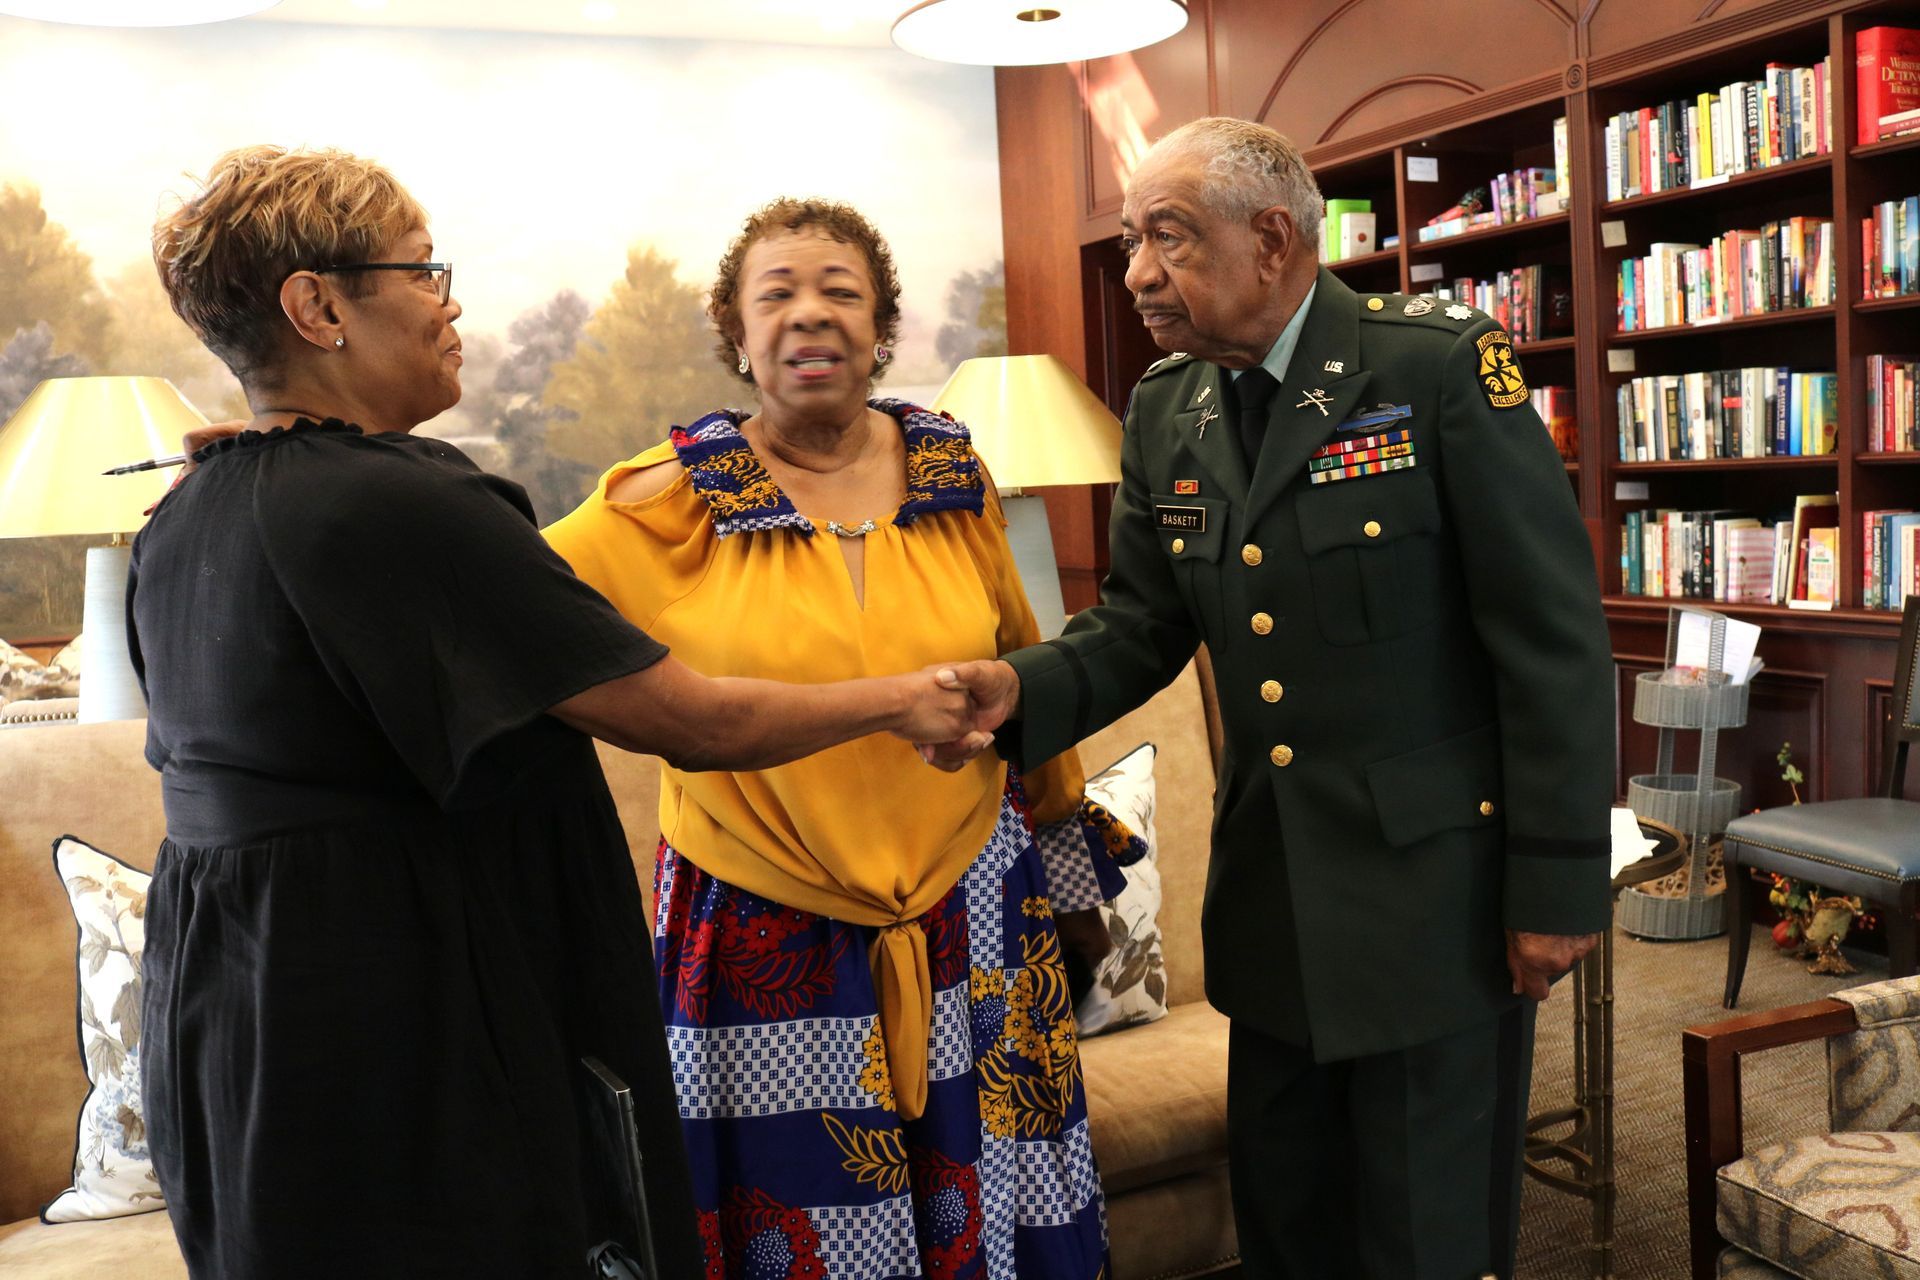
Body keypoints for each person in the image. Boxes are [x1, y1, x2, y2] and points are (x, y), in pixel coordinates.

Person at [133, 146, 978, 1279]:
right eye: (423, 269)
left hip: (229, 1015)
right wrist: (909, 697)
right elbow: (693, 722)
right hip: (386, 1010)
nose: (451, 299)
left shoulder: (182, 514)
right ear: (317, 304)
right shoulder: (405, 501)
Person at [942, 118, 1615, 1279]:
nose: (1138, 272)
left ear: (1270, 238)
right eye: (1128, 241)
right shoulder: (1168, 408)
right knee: (1291, 1228)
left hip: (1435, 911)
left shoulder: (1437, 367)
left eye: (1167, 237)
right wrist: (1013, 692)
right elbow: (1140, 624)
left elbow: (1552, 649)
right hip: (1274, 912)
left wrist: (1555, 887)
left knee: (1424, 1238)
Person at [544, 197, 1139, 1280]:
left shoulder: (955, 475)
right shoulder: (667, 499)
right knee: (800, 1236)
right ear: (736, 330)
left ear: (881, 330)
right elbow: (501, 597)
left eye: (839, 292)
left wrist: (1066, 867)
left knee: (998, 1228)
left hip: (979, 921)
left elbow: (1024, 668)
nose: (808, 314)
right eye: (776, 294)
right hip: (760, 939)